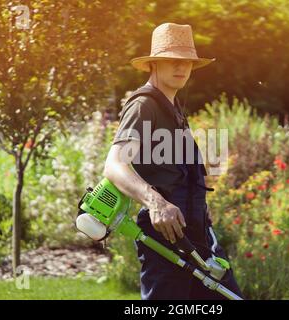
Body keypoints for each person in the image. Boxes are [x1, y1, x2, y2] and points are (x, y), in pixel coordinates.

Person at [103, 22, 243, 300]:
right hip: (165, 239)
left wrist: (200, 208)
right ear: (154, 64)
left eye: (187, 62)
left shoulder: (173, 107)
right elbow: (114, 165)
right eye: (171, 61)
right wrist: (155, 202)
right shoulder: (144, 105)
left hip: (196, 234)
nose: (181, 68)